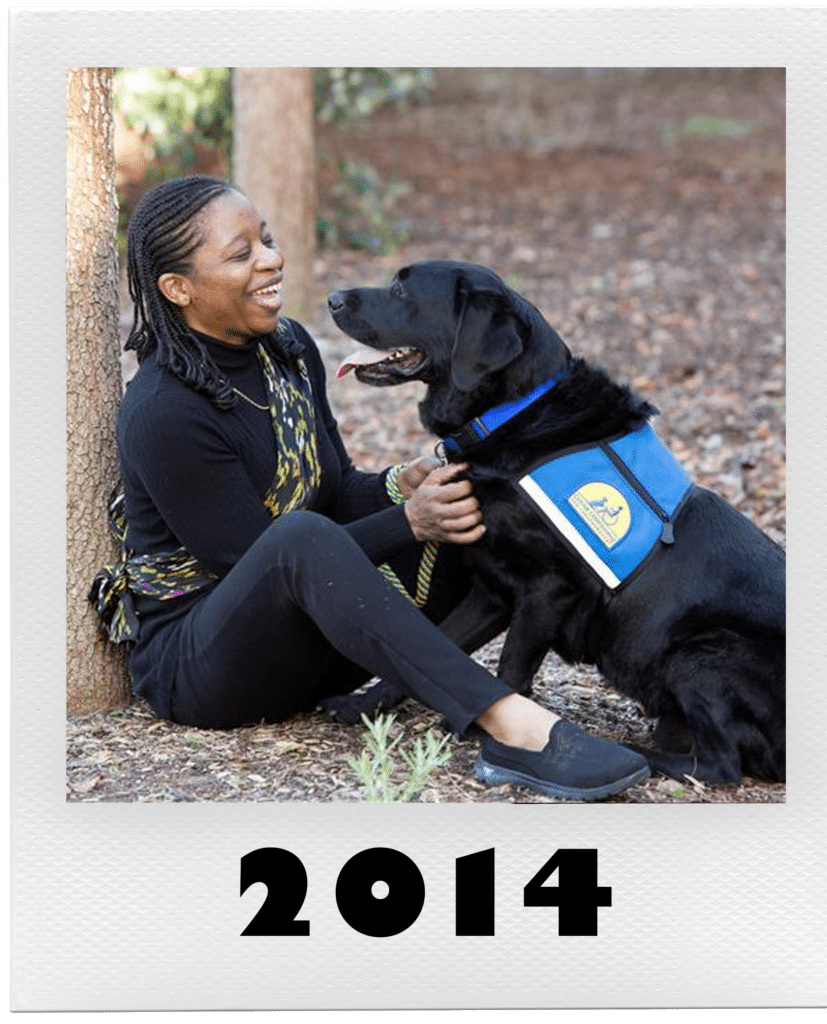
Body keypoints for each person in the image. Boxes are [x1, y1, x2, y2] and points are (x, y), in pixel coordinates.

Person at [90, 174, 649, 801]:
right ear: (178, 288)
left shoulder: (289, 350)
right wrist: (407, 522)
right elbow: (258, 561)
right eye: (240, 253)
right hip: (207, 665)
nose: (271, 260)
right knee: (302, 539)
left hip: (314, 647)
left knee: (477, 503)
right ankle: (512, 725)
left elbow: (332, 494)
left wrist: (397, 488)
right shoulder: (164, 410)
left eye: (266, 240)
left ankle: (663, 662)